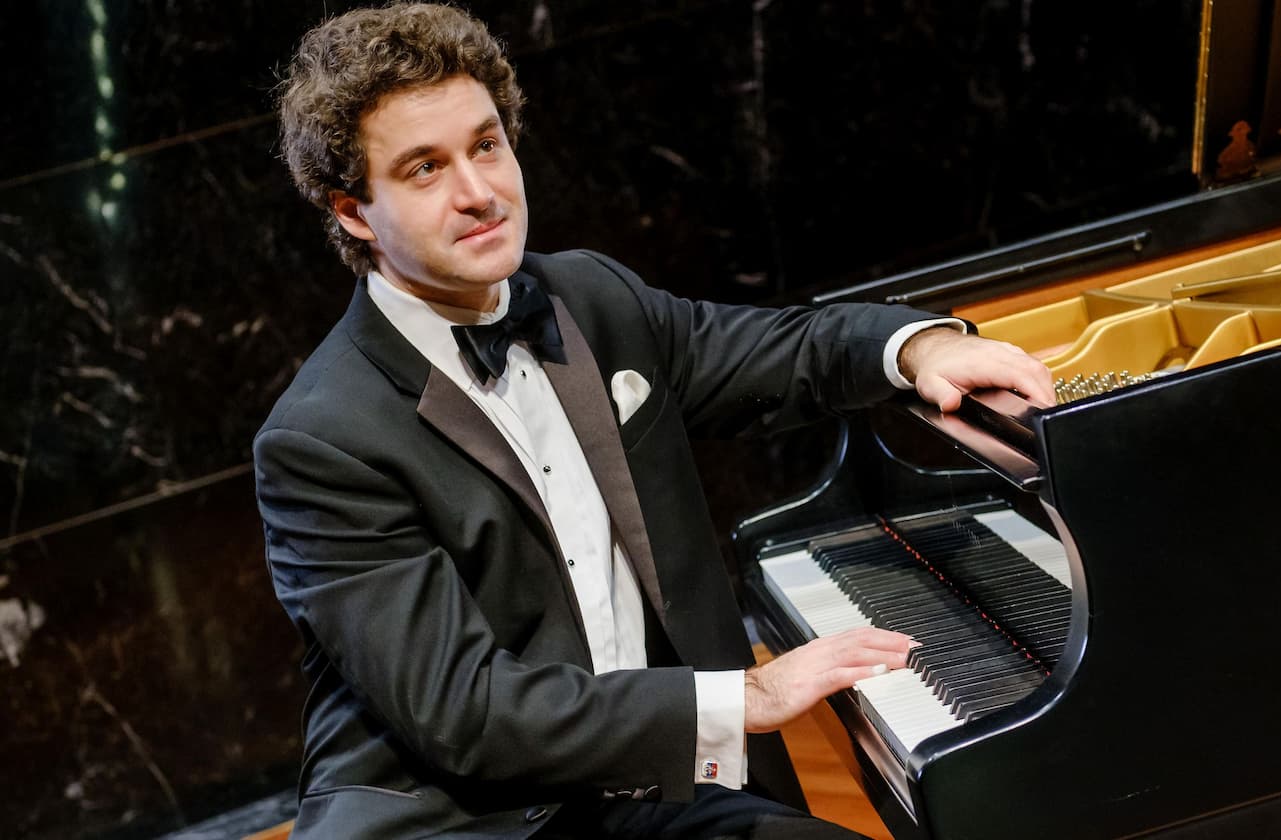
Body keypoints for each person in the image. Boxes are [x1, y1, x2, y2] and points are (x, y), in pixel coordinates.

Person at [255, 4, 1053, 838]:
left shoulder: (591, 300)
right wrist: (746, 696)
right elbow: (467, 712)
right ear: (352, 212)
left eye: (486, 145)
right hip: (474, 819)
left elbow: (779, 350)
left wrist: (916, 347)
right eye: (424, 169)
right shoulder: (322, 439)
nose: (478, 192)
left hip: (648, 790)